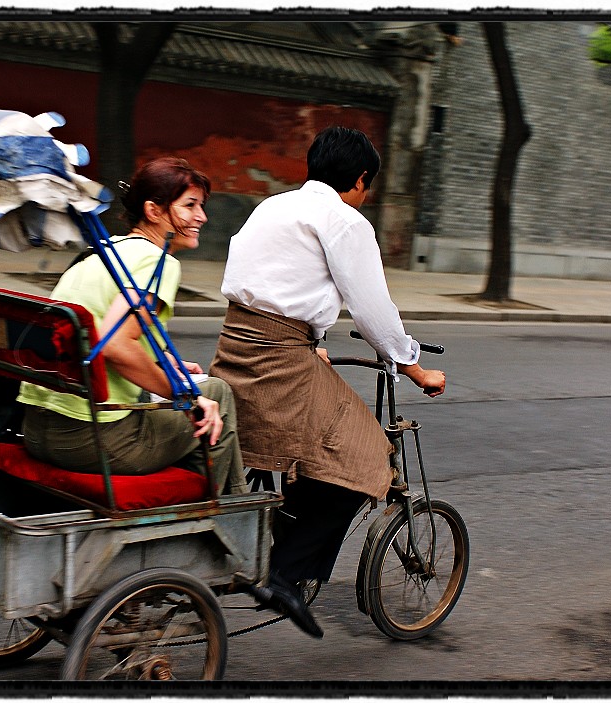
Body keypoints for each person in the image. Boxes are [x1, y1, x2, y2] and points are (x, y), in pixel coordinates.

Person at [210, 126, 446, 637]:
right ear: (361, 179)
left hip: (235, 351)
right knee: (365, 457)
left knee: (320, 444)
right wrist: (415, 367)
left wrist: (311, 335)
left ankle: (275, 548)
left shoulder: (272, 206)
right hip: (281, 365)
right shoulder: (345, 221)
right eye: (369, 185)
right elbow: (372, 312)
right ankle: (286, 575)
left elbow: (270, 284)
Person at [18, 157, 247, 496]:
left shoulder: (100, 254)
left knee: (193, 387)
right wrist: (187, 395)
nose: (202, 217)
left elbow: (99, 334)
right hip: (92, 440)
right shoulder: (159, 262)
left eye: (202, 206)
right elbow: (114, 344)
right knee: (216, 393)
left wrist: (160, 364)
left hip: (37, 430)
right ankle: (212, 510)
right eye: (190, 206)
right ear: (154, 211)